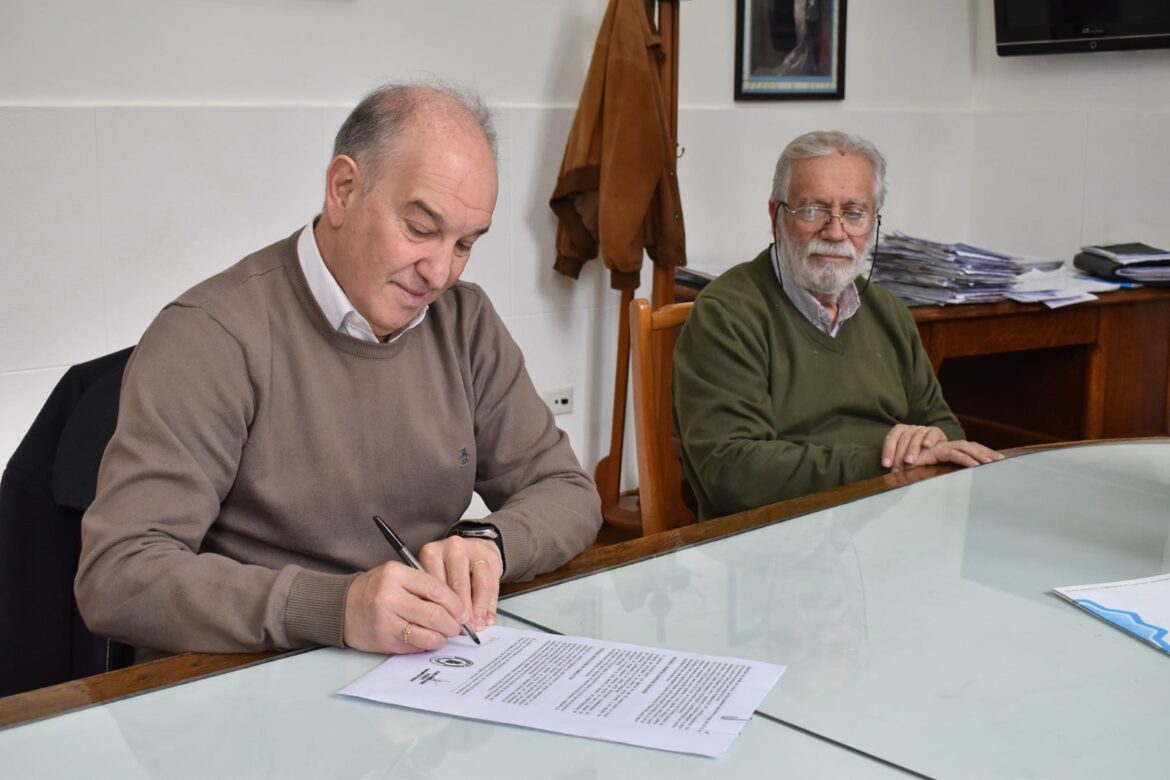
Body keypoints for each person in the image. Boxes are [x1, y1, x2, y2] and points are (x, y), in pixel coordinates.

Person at [75, 82, 602, 658]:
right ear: (344, 189)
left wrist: (491, 541)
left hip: (421, 672)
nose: (439, 273)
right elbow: (120, 576)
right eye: (421, 229)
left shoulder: (464, 321)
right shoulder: (212, 335)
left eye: (465, 244)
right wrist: (337, 606)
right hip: (252, 687)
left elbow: (566, 490)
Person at [672, 130, 1002, 520]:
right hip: (773, 542)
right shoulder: (726, 315)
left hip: (887, 529)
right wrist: (887, 462)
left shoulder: (888, 311)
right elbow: (734, 473)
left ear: (872, 221)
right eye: (813, 210)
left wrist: (928, 444)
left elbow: (944, 430)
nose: (835, 231)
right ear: (776, 215)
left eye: (854, 213)